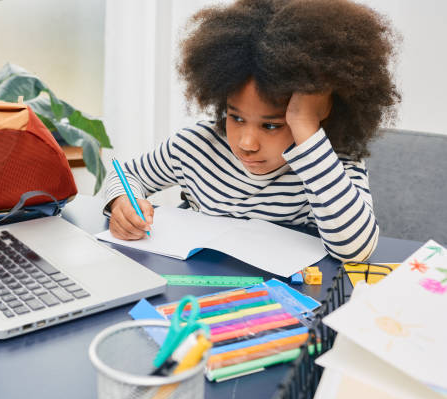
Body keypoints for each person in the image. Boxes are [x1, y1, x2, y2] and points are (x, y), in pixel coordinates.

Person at [103, 0, 400, 261]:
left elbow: (356, 249)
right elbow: (125, 174)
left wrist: (306, 129)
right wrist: (122, 202)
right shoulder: (195, 147)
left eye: (271, 125)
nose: (246, 143)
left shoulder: (330, 164)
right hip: (195, 294)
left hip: (287, 305)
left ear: (320, 115)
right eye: (236, 118)